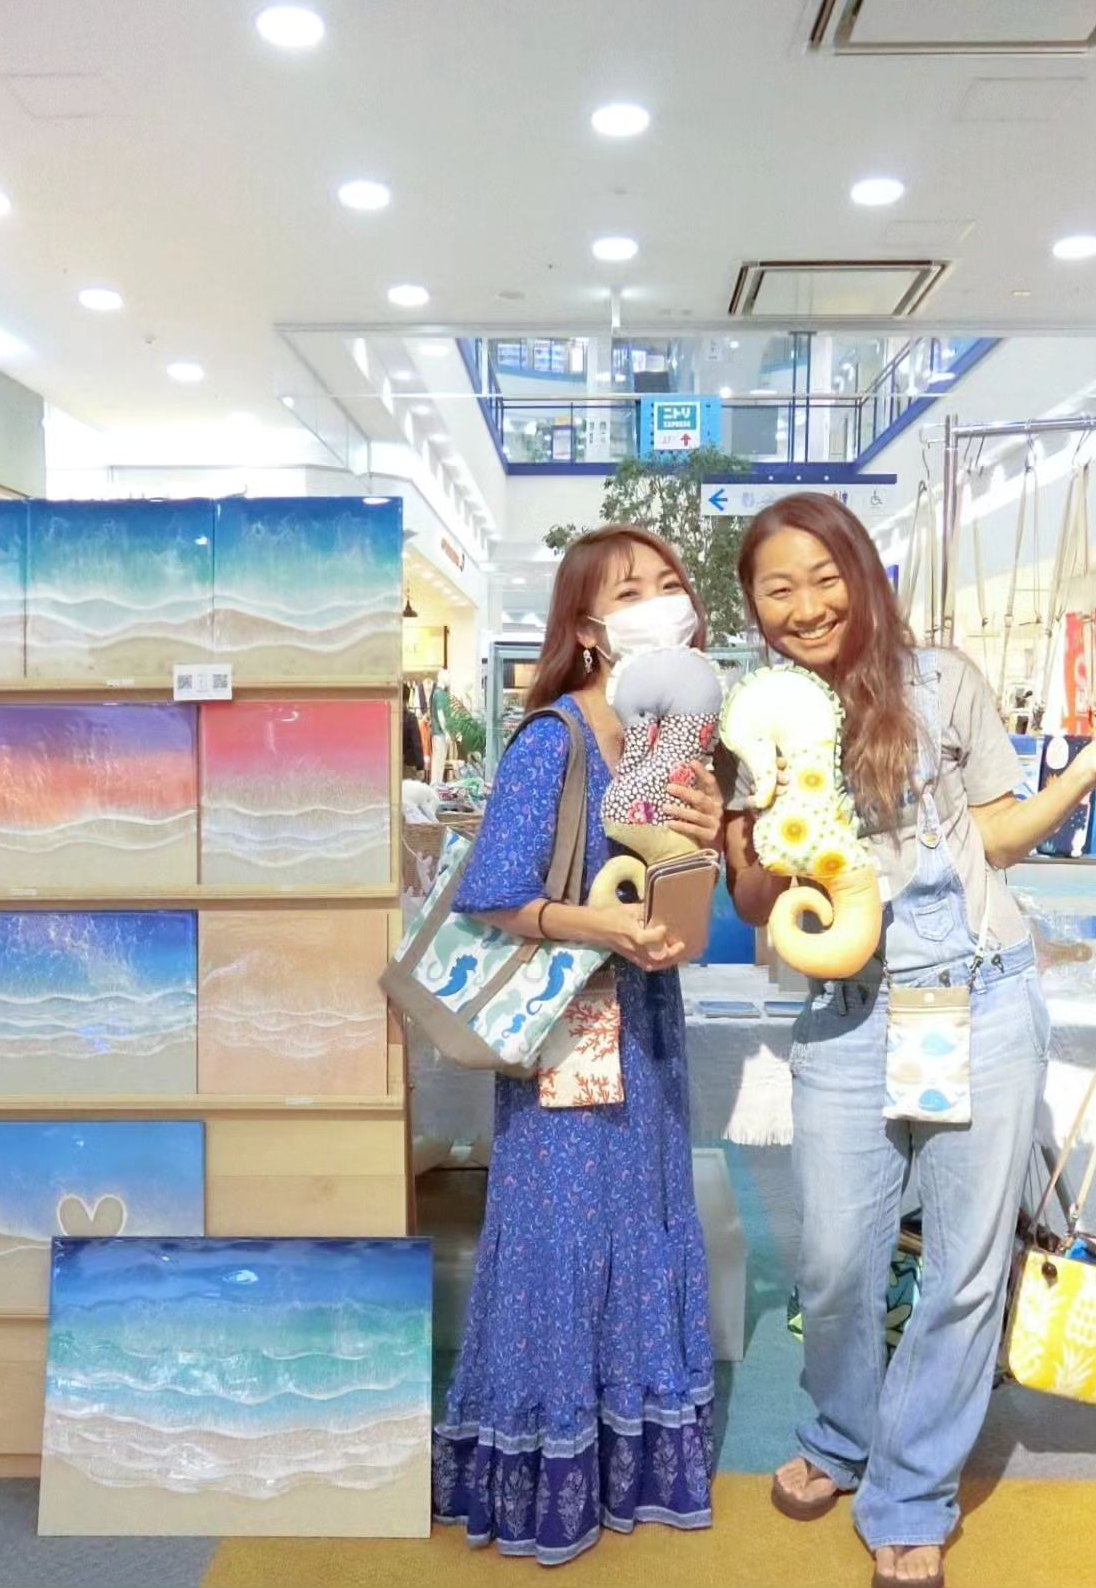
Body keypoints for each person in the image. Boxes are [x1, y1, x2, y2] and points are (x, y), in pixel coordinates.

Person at [721, 494, 1096, 1588]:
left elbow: (995, 837)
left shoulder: (944, 683)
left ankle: (910, 1488)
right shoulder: (760, 720)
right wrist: (751, 836)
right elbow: (753, 903)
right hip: (846, 1015)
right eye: (778, 588)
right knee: (833, 1260)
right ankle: (842, 1429)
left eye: (824, 576)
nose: (806, 605)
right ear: (755, 606)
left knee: (963, 1269)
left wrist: (1082, 774)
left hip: (975, 1001)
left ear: (862, 574)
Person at [433, 525, 726, 1566]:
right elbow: (491, 893)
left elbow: (684, 882)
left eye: (669, 584)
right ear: (589, 630)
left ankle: (629, 1463)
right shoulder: (552, 741)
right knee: (561, 1244)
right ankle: (542, 1467)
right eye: (631, 591)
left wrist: (706, 838)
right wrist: (594, 924)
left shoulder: (667, 738)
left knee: (643, 1229)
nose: (661, 602)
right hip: (566, 1027)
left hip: (646, 1025)